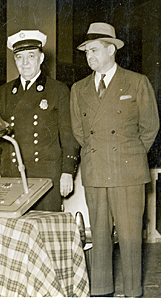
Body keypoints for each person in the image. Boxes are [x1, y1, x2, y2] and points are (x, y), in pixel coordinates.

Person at [70, 22, 159, 297]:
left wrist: (128, 154)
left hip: (128, 173)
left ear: (111, 50)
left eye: (94, 50)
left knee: (131, 238)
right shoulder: (79, 88)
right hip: (96, 171)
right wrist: (101, 152)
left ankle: (133, 292)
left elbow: (150, 127)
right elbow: (79, 132)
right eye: (86, 52)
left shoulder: (136, 82)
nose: (90, 56)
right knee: (99, 237)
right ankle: (101, 290)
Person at [0, 30, 80, 212]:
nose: (25, 63)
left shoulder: (58, 90)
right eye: (19, 57)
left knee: (46, 229)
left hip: (46, 175)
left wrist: (67, 171)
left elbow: (69, 135)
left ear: (41, 58)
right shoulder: (4, 93)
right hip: (11, 173)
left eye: (31, 56)